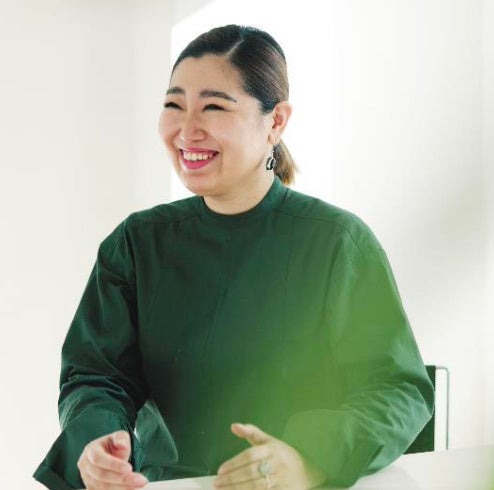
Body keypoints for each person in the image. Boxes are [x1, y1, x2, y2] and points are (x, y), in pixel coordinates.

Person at [34, 24, 434, 490]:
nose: (187, 130)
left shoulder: (338, 243)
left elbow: (398, 390)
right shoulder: (137, 244)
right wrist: (99, 440)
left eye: (214, 107)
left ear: (275, 122)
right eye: (174, 105)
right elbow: (96, 374)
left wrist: (307, 458)